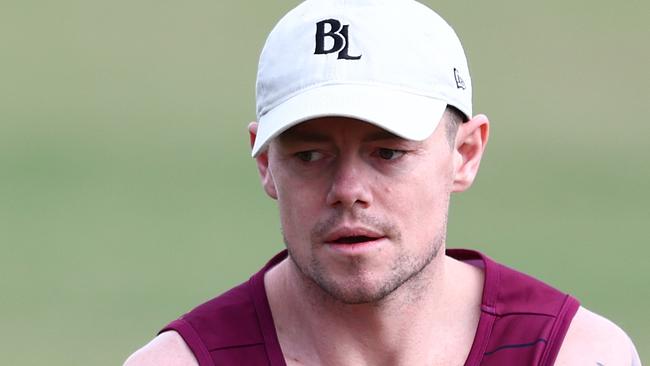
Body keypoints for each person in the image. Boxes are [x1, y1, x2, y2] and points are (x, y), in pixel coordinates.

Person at [124, 0, 642, 365]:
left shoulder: (572, 354)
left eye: (388, 151)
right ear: (266, 165)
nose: (348, 188)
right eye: (309, 155)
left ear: (464, 153)